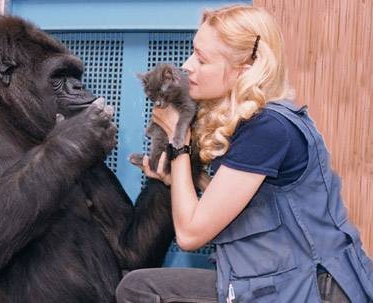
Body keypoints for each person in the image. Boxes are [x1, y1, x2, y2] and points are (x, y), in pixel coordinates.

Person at [116, 5, 373, 303]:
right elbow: (248, 208)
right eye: (192, 52)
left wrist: (180, 141)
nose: (187, 66)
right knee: (138, 286)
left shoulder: (267, 129)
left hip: (307, 290)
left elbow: (189, 235)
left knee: (139, 290)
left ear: (245, 69)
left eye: (202, 59)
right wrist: (187, 179)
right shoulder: (258, 122)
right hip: (265, 281)